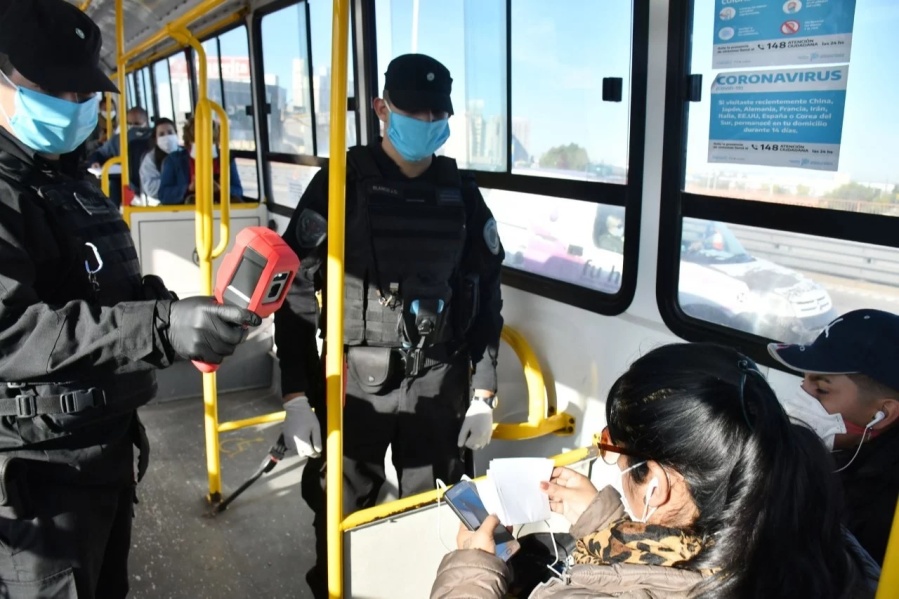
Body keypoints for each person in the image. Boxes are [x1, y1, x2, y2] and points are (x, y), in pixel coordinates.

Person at [0, 1, 260, 596]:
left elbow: (104, 288)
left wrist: (170, 307)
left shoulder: (67, 178)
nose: (72, 106)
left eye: (80, 91)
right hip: (34, 478)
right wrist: (161, 328)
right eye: (52, 89)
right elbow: (13, 330)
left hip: (103, 451)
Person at [274, 53, 504, 597]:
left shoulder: (462, 195)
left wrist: (484, 392)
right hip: (354, 378)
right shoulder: (339, 184)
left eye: (436, 115)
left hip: (441, 378)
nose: (426, 124)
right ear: (382, 109)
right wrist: (296, 398)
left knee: (440, 509)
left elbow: (484, 293)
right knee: (342, 506)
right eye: (413, 112)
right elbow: (295, 291)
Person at [432, 343, 879, 598]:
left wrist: (472, 569)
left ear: (658, 486)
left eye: (613, 448)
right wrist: (603, 521)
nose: (611, 459)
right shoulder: (827, 547)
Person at [768, 308, 899, 565]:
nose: (802, 398)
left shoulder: (883, 512)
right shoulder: (842, 454)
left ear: (883, 413)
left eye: (821, 389)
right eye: (803, 382)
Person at [157, 116, 243, 205]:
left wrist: (221, 189)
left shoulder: (226, 159)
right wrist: (188, 188)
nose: (204, 146)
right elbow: (163, 194)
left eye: (210, 141)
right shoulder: (174, 160)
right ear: (189, 141)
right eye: (198, 141)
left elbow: (238, 190)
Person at [137, 117, 178, 206]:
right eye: (162, 134)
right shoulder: (150, 159)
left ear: (176, 134)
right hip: (160, 203)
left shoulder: (185, 154)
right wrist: (179, 186)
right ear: (156, 139)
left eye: (170, 133)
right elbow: (151, 188)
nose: (167, 137)